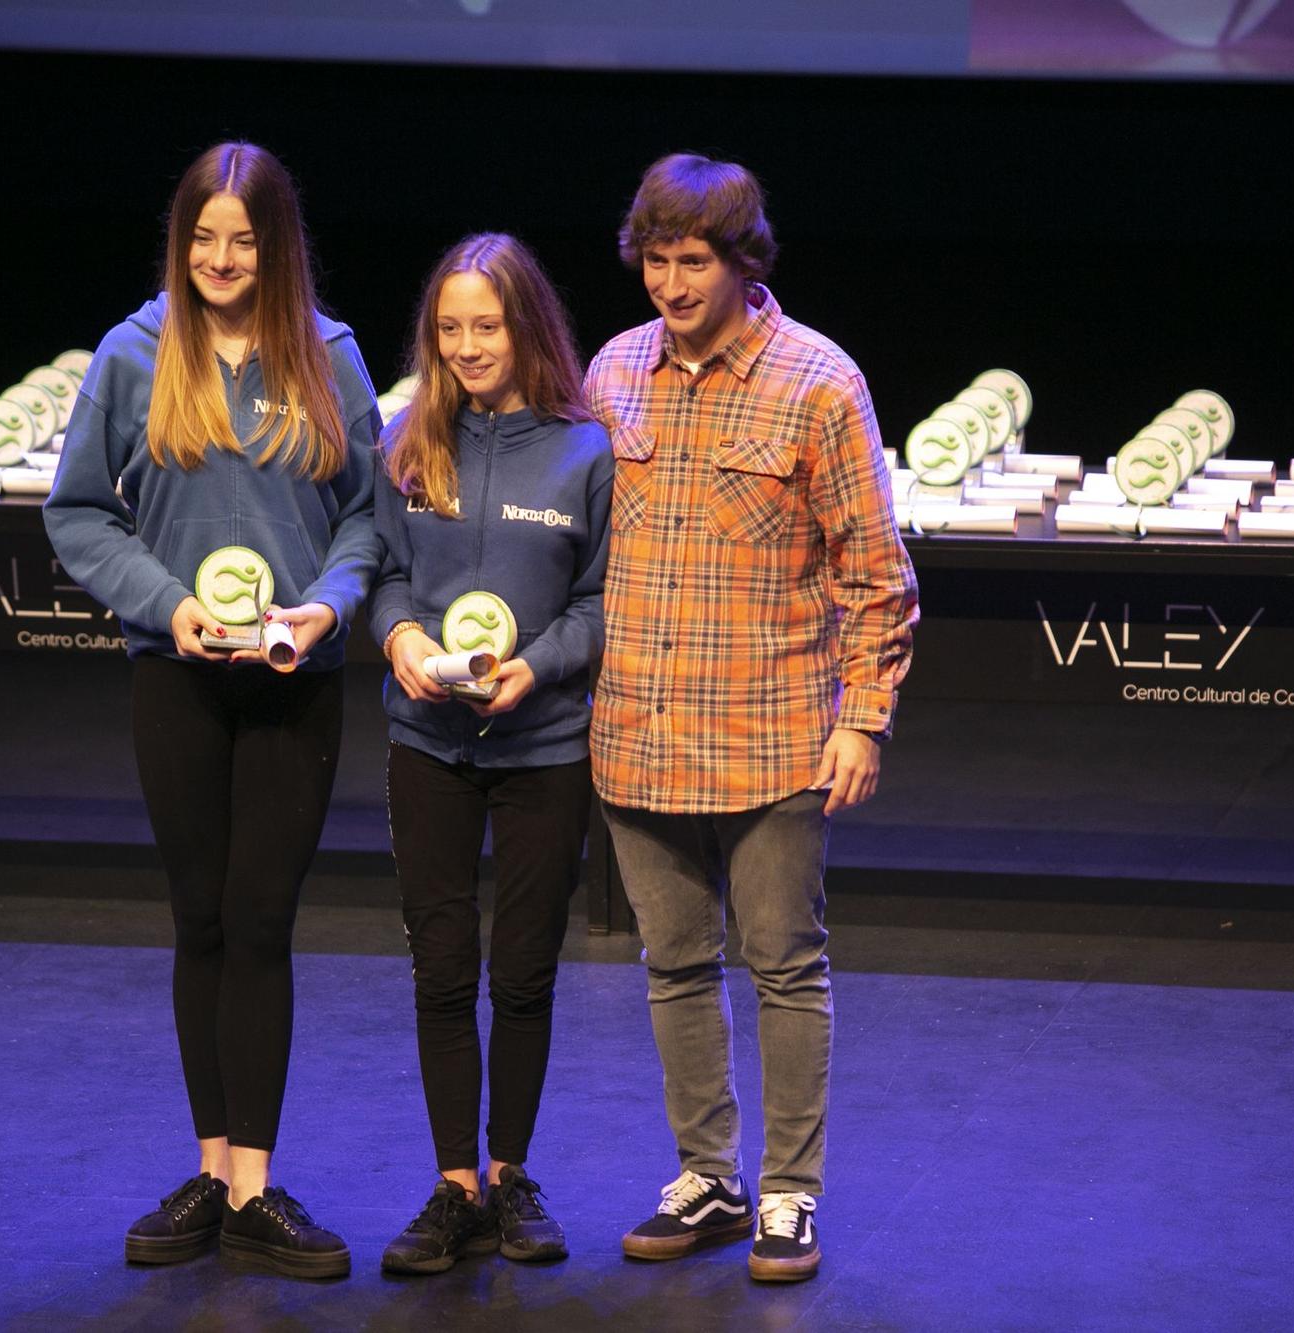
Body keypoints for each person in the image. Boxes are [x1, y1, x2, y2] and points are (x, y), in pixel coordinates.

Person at [43, 141, 381, 1281]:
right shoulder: (132, 355)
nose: (222, 258)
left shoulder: (328, 358)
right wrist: (165, 602)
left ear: (275, 245)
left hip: (295, 683)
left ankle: (257, 1185)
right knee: (200, 918)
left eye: (244, 239)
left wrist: (324, 613)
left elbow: (368, 525)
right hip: (177, 674)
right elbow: (80, 514)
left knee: (262, 918)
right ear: (180, 242)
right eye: (203, 237)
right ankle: (209, 1168)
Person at [583, 154, 919, 1283]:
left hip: (773, 731)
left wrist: (860, 718)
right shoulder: (614, 371)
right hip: (637, 727)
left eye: (692, 262)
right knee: (672, 963)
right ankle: (708, 1177)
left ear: (741, 260)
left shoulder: (816, 380)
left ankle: (786, 1194)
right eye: (654, 261)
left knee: (783, 963)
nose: (669, 285)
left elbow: (876, 573)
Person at [368, 233, 613, 1274]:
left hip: (542, 746)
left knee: (520, 973)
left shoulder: (583, 451)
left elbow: (603, 601)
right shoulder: (402, 440)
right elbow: (378, 574)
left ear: (526, 326)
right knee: (439, 968)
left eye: (487, 324)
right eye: (449, 327)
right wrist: (403, 640)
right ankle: (450, 1185)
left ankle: (509, 1179)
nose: (468, 346)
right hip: (425, 742)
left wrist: (543, 664)